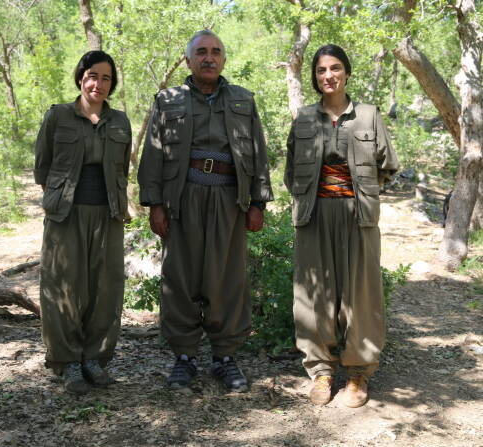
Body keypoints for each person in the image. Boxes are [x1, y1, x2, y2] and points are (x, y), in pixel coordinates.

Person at [138, 30, 273, 393]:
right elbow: (152, 155)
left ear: (223, 59)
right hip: (182, 199)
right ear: (188, 60)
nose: (209, 58)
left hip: (229, 200)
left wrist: (258, 202)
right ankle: (184, 356)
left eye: (215, 52)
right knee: (180, 278)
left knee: (226, 279)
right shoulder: (168, 100)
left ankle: (225, 356)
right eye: (201, 52)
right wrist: (154, 204)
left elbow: (258, 153)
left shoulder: (243, 100)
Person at [284, 44, 399, 407]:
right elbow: (291, 170)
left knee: (361, 294)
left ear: (347, 72)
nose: (328, 75)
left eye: (335, 68)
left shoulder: (368, 115)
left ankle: (358, 373)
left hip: (358, 216)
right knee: (313, 295)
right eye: (321, 70)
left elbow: (387, 166)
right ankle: (320, 371)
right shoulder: (304, 119)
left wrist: (359, 193)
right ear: (314, 77)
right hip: (314, 215)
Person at [34, 51, 131, 395]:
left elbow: (122, 169)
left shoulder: (120, 121)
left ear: (111, 84)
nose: (98, 84)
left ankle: (94, 359)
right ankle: (67, 361)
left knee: (105, 288)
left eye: (106, 78)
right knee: (63, 286)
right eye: (92, 76)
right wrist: (61, 200)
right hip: (66, 214)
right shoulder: (58, 116)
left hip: (108, 213)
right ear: (80, 78)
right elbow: (42, 167)